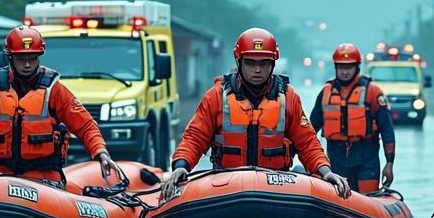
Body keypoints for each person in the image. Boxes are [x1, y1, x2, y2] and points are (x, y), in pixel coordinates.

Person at [160, 27, 350, 200]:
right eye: (250, 63)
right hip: (227, 186)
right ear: (239, 62)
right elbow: (195, 137)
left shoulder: (288, 97)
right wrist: (181, 167)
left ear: (272, 64)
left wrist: (326, 172)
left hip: (275, 185)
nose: (257, 70)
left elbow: (307, 143)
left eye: (264, 63)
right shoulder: (216, 96)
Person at [0, 25, 123, 186]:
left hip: (44, 179)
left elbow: (85, 125)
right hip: (2, 177)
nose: (27, 64)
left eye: (32, 58)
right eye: (21, 59)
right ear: (10, 58)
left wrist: (101, 153)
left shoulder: (54, 90)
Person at [308, 42, 396, 194]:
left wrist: (389, 163)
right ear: (336, 67)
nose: (344, 72)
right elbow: (309, 131)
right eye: (341, 67)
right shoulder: (326, 92)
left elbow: (387, 129)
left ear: (357, 67)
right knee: (337, 200)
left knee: (368, 201)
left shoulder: (372, 91)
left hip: (366, 158)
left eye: (348, 67)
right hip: (336, 158)